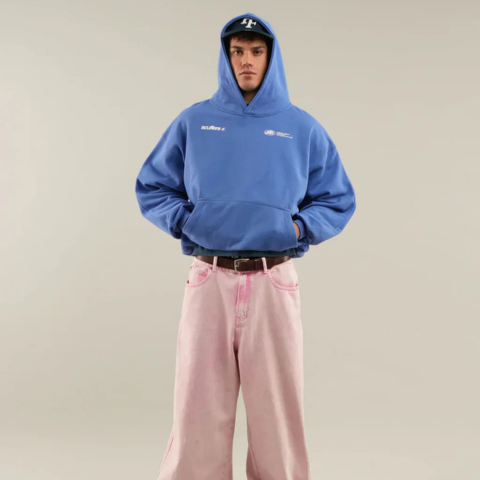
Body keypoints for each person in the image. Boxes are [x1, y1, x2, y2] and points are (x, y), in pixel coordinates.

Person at [135, 12, 356, 480]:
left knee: (276, 412)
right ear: (226, 57)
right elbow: (152, 187)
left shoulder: (300, 127)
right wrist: (187, 221)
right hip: (208, 277)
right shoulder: (195, 121)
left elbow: (337, 198)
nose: (246, 61)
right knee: (198, 407)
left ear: (271, 58)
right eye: (237, 51)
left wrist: (297, 230)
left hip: (273, 280)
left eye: (256, 51)